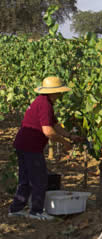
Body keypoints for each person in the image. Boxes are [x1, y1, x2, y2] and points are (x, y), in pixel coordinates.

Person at [9, 77, 82, 220]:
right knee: (39, 179)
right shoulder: (45, 105)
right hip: (31, 147)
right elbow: (48, 131)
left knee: (25, 178)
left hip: (23, 144)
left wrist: (69, 136)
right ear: (53, 92)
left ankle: (16, 209)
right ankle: (36, 211)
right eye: (59, 92)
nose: (61, 95)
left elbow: (54, 125)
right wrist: (64, 143)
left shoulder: (43, 102)